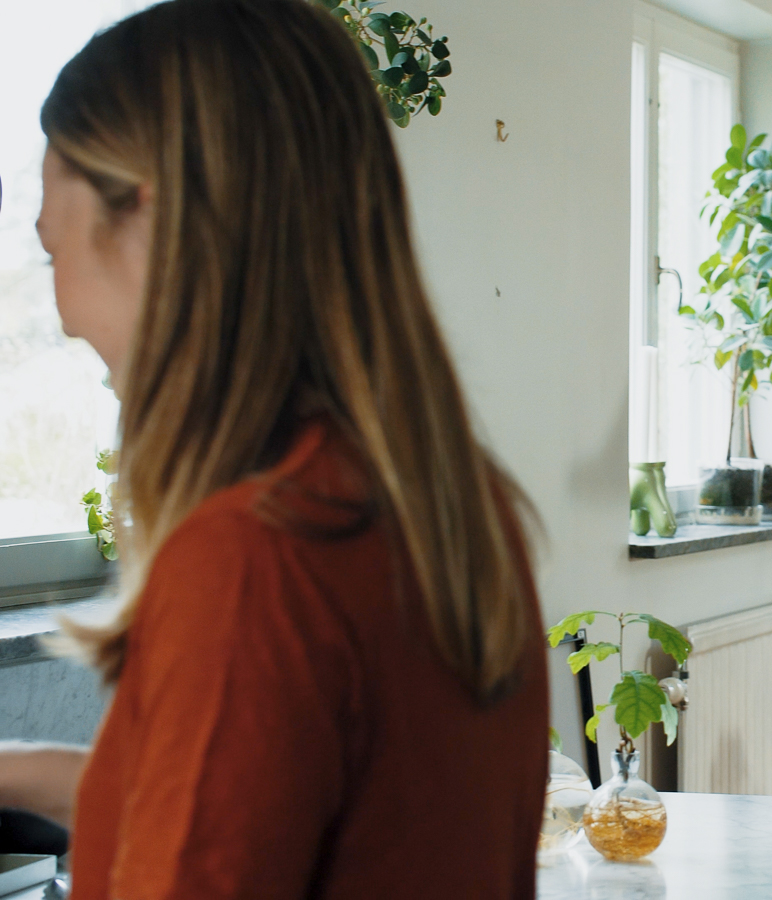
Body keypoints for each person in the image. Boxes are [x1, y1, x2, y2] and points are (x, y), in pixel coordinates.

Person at [2, 0, 549, 895]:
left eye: (54, 251)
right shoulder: (447, 508)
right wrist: (20, 772)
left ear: (156, 228)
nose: (62, 316)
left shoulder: (253, 561)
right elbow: (272, 809)